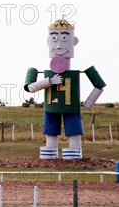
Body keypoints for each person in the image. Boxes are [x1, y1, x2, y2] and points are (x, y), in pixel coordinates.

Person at [24, 18, 105, 159]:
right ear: (49, 42)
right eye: (54, 37)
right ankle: (50, 150)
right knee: (51, 130)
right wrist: (49, 81)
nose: (60, 44)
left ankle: (74, 150)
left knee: (73, 129)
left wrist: (88, 102)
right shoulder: (43, 73)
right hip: (51, 107)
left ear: (73, 41)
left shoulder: (77, 73)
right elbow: (30, 88)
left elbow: (99, 85)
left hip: (71, 108)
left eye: (65, 37)